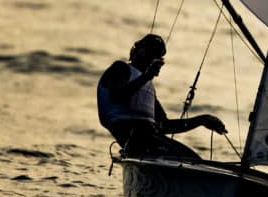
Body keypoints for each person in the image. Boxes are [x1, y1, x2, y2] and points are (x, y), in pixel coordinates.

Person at [97, 33, 226, 158]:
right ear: (141, 52)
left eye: (160, 59)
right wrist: (147, 76)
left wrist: (202, 120)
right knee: (148, 137)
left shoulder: (147, 86)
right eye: (155, 57)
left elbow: (164, 125)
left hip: (148, 140)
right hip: (134, 139)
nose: (158, 63)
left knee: (193, 159)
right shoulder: (121, 68)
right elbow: (116, 97)